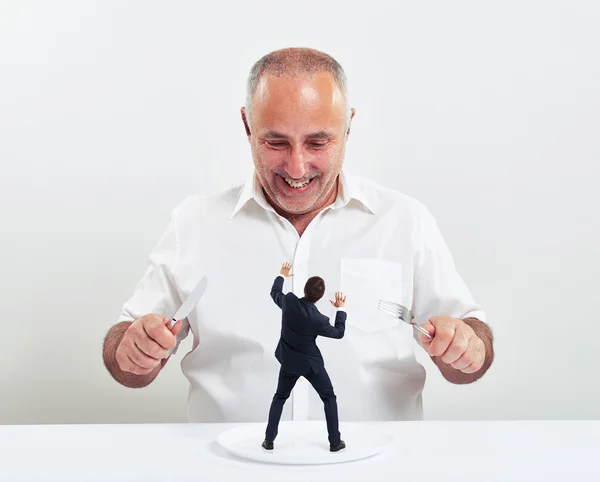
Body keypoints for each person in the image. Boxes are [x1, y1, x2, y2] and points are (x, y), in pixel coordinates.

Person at [102, 47, 494, 424]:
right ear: (246, 125)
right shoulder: (194, 224)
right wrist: (133, 350)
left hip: (376, 468)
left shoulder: (405, 220)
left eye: (317, 142)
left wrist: (464, 348)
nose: (297, 166)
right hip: (227, 466)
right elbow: (126, 360)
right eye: (275, 142)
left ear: (349, 126)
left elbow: (468, 355)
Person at [263, 262, 347, 452]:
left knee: (279, 397)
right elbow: (338, 332)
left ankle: (269, 440)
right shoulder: (318, 320)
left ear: (304, 289)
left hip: (289, 362)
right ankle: (335, 442)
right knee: (329, 398)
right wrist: (340, 309)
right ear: (321, 297)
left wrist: (282, 275)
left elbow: (275, 292)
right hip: (311, 365)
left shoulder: (290, 302)